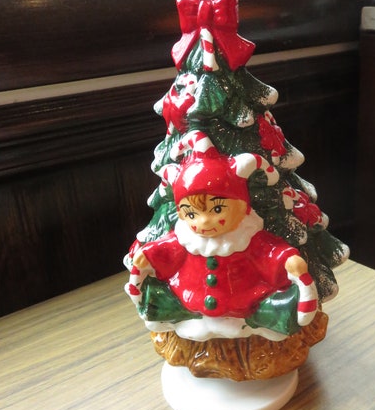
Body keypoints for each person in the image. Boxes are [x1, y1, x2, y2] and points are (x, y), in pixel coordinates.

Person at [124, 145, 318, 341]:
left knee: (282, 313)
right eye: (191, 214)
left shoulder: (247, 236)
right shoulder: (185, 239)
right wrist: (148, 256)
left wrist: (289, 260)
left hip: (246, 303)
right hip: (191, 302)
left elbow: (270, 253)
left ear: (242, 206)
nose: (203, 222)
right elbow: (166, 251)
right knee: (156, 300)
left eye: (217, 210)